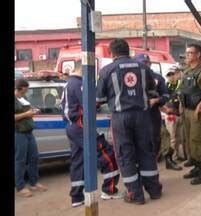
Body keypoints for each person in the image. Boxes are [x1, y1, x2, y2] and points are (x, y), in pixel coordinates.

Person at [96, 39, 162, 204]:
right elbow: (153, 92)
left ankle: (135, 194)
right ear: (129, 51)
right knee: (146, 152)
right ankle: (154, 190)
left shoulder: (106, 71)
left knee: (125, 155)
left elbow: (98, 99)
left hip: (121, 117)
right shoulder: (144, 68)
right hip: (142, 115)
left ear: (112, 53)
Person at [60, 61, 122, 208]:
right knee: (106, 154)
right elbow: (90, 103)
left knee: (78, 162)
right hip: (81, 126)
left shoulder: (69, 83)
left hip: (72, 127)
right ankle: (109, 190)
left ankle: (76, 197)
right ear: (83, 69)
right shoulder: (80, 84)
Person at [179, 44, 201, 185]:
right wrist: (181, 105)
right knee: (188, 139)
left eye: (191, 53)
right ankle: (196, 167)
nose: (188, 55)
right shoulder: (187, 71)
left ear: (198, 54)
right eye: (186, 53)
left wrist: (200, 105)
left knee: (197, 140)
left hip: (197, 111)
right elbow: (184, 91)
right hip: (187, 110)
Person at [15, 78, 47, 198]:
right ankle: (20, 187)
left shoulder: (23, 98)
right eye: (25, 89)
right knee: (20, 160)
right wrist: (26, 114)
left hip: (28, 131)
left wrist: (33, 111)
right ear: (20, 88)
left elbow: (27, 110)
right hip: (18, 133)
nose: (26, 91)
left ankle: (33, 182)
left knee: (34, 157)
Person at [134, 53, 169, 158]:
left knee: (155, 138)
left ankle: (153, 159)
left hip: (153, 113)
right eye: (142, 63)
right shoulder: (131, 77)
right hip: (136, 114)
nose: (145, 65)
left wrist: (157, 100)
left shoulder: (158, 78)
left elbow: (166, 95)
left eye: (146, 62)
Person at [161, 67, 184, 170]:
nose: (171, 77)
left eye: (172, 74)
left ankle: (178, 155)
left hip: (179, 114)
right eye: (169, 75)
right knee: (172, 138)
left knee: (179, 137)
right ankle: (172, 158)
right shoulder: (165, 86)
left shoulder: (180, 84)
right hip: (170, 115)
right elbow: (164, 100)